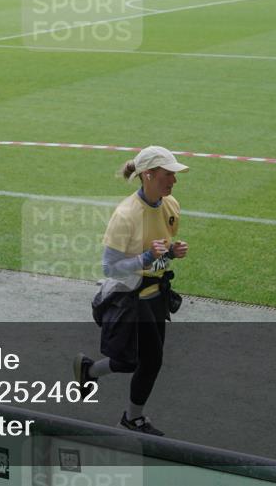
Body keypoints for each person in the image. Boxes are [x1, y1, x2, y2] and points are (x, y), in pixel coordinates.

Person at [74, 146, 189, 436]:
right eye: (168, 174)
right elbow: (110, 268)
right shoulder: (126, 215)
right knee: (135, 361)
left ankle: (94, 377)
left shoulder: (171, 205)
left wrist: (171, 254)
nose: (173, 180)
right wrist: (148, 259)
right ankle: (128, 415)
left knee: (147, 360)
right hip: (129, 298)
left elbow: (157, 258)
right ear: (148, 175)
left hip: (155, 295)